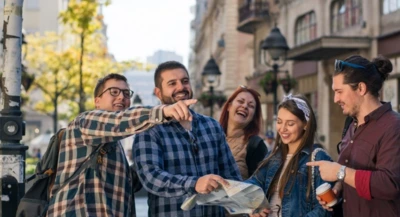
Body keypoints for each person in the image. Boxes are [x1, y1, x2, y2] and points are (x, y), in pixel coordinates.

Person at [46, 73, 197, 217]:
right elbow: (119, 121)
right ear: (97, 101)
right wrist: (163, 111)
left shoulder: (116, 145)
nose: (121, 97)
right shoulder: (85, 122)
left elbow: (129, 184)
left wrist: (156, 156)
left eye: (126, 93)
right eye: (114, 92)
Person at [133, 61, 242, 217]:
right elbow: (151, 177)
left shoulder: (211, 125)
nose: (181, 87)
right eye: (172, 83)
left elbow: (231, 176)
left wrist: (250, 206)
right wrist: (194, 184)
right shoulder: (149, 129)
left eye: (185, 81)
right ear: (158, 93)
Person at [307, 55, 400, 217]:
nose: (336, 99)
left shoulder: (393, 126)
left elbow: (389, 185)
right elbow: (350, 172)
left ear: (361, 89)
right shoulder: (350, 124)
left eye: (339, 92)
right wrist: (338, 188)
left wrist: (340, 172)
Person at [247, 94, 333, 217]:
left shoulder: (318, 158)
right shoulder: (273, 156)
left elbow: (325, 209)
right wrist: (254, 205)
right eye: (279, 122)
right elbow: (254, 182)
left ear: (305, 125)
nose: (282, 129)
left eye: (290, 123)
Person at [219, 85, 268, 180]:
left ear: (253, 116)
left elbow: (261, 186)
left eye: (251, 106)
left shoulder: (256, 145)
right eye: (240, 101)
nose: (245, 106)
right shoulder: (212, 137)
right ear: (229, 106)